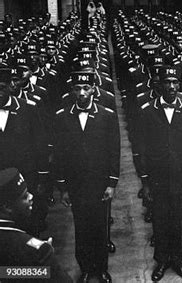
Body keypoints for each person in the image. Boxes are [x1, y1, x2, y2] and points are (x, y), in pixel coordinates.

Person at [54, 71, 120, 282]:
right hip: (76, 185)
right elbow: (60, 154)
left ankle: (100, 268)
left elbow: (114, 151)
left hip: (99, 184)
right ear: (72, 90)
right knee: (81, 228)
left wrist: (112, 183)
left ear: (93, 89)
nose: (81, 93)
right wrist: (63, 188)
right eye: (77, 89)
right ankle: (85, 268)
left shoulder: (107, 115)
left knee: (100, 227)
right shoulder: (62, 117)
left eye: (86, 88)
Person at [137, 66, 182, 281]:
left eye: (175, 82)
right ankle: (161, 261)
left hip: (180, 176)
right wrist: (144, 182)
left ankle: (177, 260)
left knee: (177, 219)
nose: (171, 87)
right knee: (160, 220)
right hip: (157, 177)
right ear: (158, 85)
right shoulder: (147, 110)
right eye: (167, 82)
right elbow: (141, 149)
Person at [0, 67, 49, 236]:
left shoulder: (27, 108)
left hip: (26, 177)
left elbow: (40, 144)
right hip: (1, 180)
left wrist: (43, 176)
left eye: (1, 87)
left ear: (9, 86)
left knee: (29, 221)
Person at [0, 168, 72, 282]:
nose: (31, 196)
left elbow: (5, 272)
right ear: (7, 207)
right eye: (24, 196)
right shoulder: (36, 250)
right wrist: (47, 259)